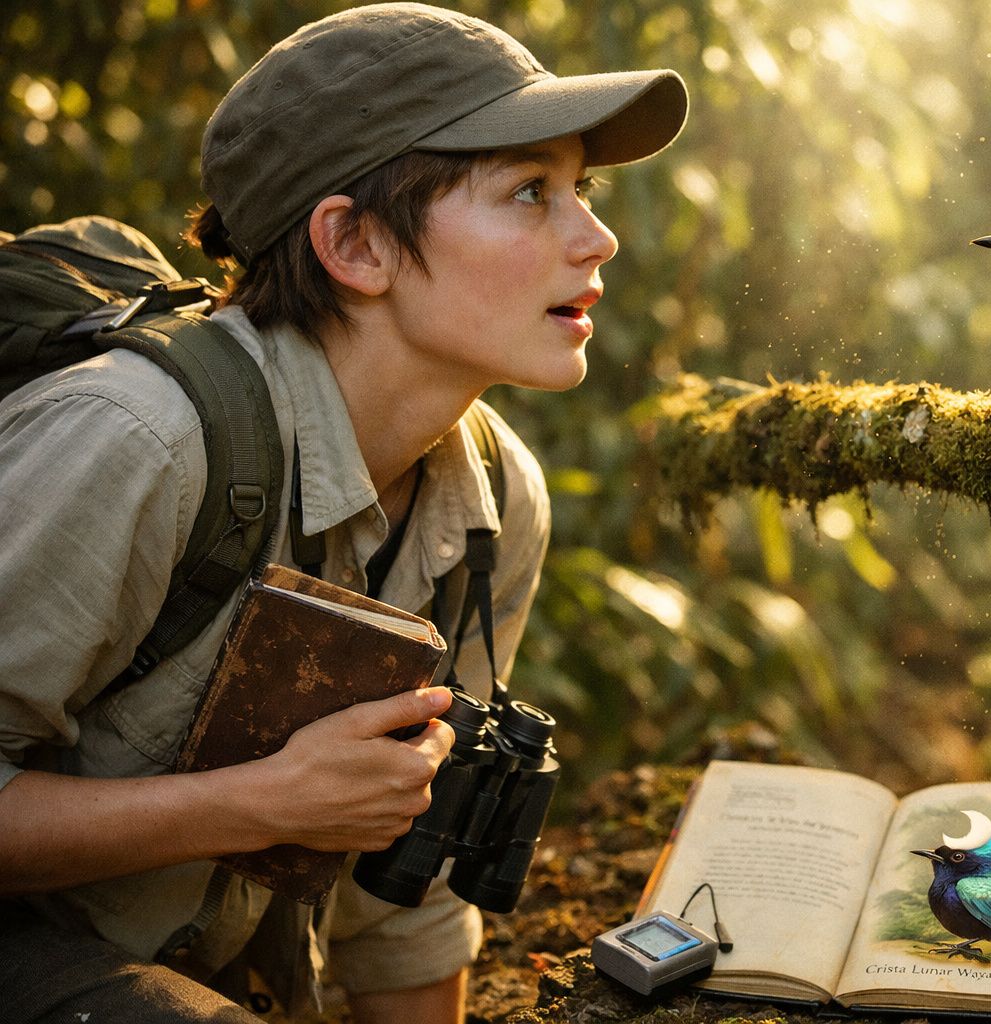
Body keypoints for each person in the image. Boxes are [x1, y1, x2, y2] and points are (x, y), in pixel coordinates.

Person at [0, 5, 687, 1022]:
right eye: (530, 192)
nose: (597, 235)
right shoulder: (138, 439)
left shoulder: (494, 501)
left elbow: (398, 894)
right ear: (355, 243)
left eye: (579, 188)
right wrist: (255, 804)